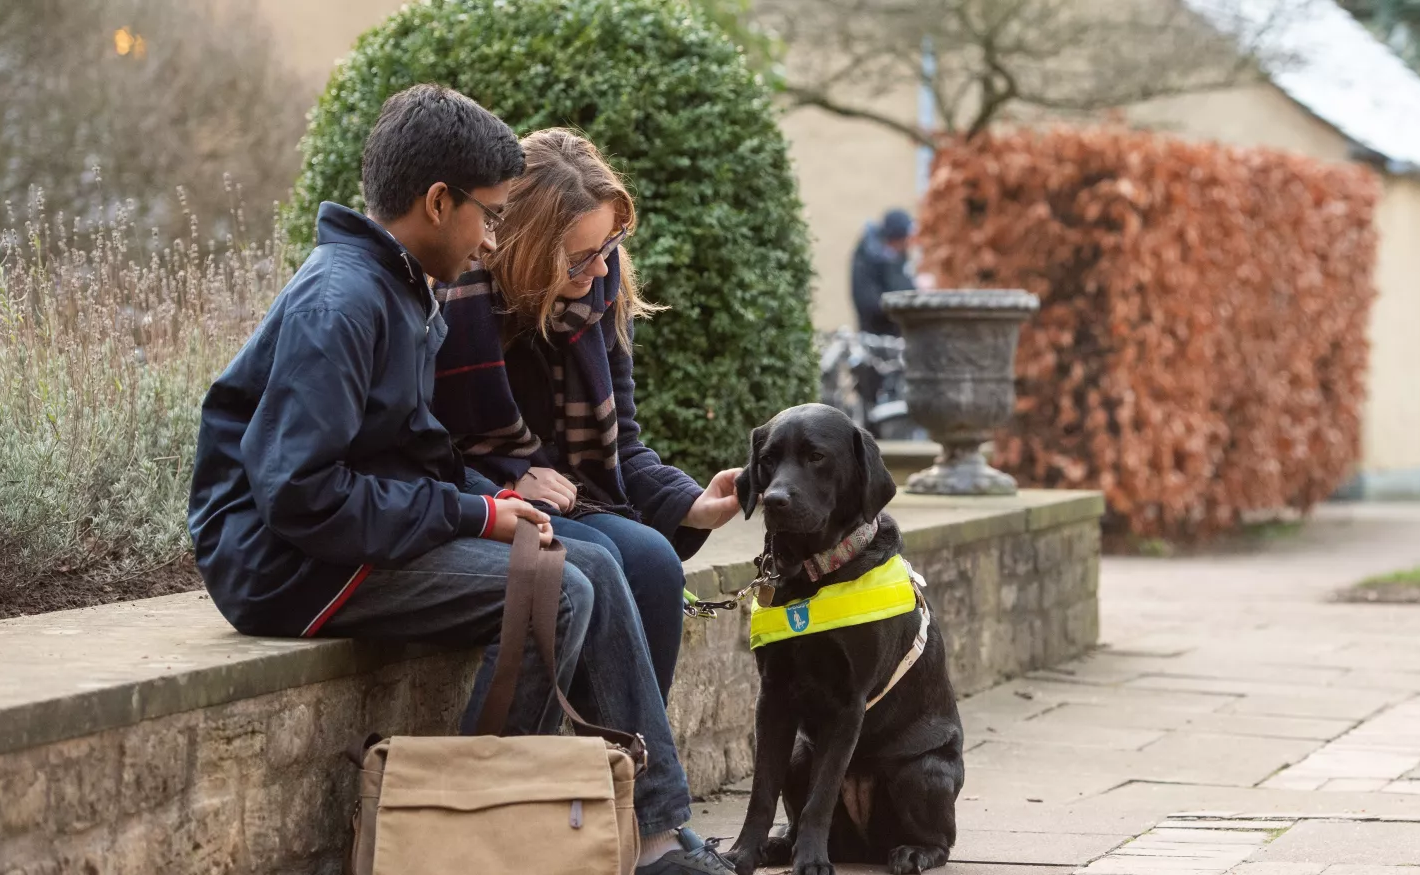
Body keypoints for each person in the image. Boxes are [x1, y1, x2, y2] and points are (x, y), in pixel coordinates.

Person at [187, 85, 735, 875]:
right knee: (557, 585)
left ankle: (646, 834)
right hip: (283, 562)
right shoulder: (343, 301)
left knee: (586, 566)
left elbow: (402, 458)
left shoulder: (401, 287)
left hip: (339, 536)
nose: (492, 238)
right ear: (439, 202)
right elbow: (299, 493)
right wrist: (476, 514)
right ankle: (476, 835)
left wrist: (489, 503)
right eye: (491, 213)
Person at [433, 127, 743, 705]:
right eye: (580, 257)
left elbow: (620, 442)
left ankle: (620, 766)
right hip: (481, 504)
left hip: (576, 498)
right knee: (598, 565)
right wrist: (510, 481)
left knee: (652, 560)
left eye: (608, 247)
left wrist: (692, 505)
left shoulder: (598, 294)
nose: (601, 270)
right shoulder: (454, 302)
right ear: (523, 248)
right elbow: (417, 447)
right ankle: (615, 779)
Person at [849, 207, 915, 338]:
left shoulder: (896, 256)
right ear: (895, 238)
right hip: (878, 337)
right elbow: (870, 304)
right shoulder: (868, 259)